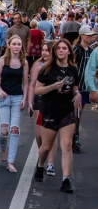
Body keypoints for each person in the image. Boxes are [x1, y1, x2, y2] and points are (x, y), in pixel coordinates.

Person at [35, 39, 80, 193]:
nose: (61, 50)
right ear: (55, 51)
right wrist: (53, 86)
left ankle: (66, 179)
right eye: (58, 48)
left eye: (64, 48)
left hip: (67, 110)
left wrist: (77, 93)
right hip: (49, 110)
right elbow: (37, 90)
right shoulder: (47, 69)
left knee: (67, 145)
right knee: (46, 147)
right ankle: (40, 165)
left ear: (69, 51)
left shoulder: (73, 69)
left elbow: (74, 87)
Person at [0, 35, 29, 173]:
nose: (17, 47)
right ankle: (3, 149)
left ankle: (10, 162)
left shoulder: (24, 62)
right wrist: (0, 90)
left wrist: (25, 98)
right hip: (4, 98)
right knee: (4, 131)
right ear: (9, 45)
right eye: (14, 44)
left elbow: (25, 83)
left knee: (14, 130)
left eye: (19, 44)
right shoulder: (3, 60)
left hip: (17, 97)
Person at [28, 41, 57, 176]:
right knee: (39, 135)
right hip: (38, 101)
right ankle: (43, 156)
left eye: (47, 50)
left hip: (52, 102)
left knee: (51, 134)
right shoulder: (37, 65)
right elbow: (32, 84)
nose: (44, 53)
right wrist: (29, 101)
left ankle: (50, 163)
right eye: (43, 50)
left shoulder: (57, 66)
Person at [73, 26, 96, 128]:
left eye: (92, 35)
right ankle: (72, 133)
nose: (91, 37)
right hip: (77, 85)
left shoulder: (91, 50)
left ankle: (76, 132)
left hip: (86, 85)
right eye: (89, 35)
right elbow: (71, 66)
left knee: (80, 111)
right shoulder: (77, 49)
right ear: (82, 36)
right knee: (77, 110)